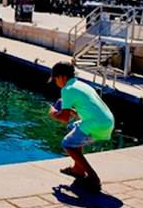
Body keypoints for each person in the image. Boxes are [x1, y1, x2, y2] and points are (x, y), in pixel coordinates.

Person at [48, 61, 114, 192]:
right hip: (108, 121)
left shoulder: (67, 89)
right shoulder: (81, 84)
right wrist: (76, 111)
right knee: (73, 127)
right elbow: (87, 106)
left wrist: (52, 113)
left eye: (55, 80)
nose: (56, 83)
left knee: (67, 144)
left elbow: (64, 118)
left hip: (96, 124)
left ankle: (93, 178)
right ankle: (77, 170)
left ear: (61, 77)